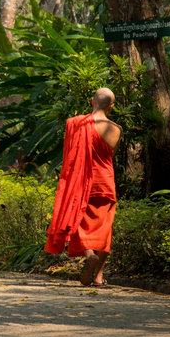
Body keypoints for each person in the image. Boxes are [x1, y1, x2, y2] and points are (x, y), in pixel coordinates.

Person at [44, 87, 122, 287]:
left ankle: (89, 254)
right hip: (104, 182)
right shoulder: (116, 129)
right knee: (105, 229)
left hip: (80, 183)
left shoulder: (76, 124)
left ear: (92, 101)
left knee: (78, 220)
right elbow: (109, 155)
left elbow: (71, 155)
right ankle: (98, 277)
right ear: (111, 107)